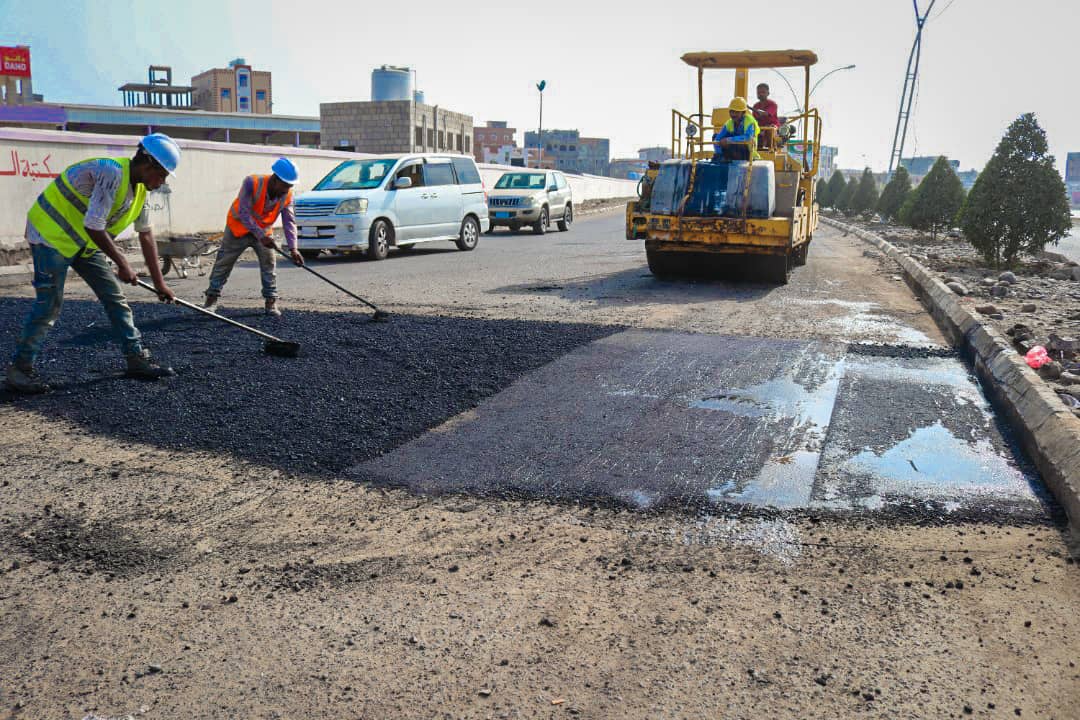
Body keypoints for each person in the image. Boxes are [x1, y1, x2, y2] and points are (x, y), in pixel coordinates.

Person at [5, 133, 181, 394]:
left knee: (115, 299)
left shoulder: (141, 190)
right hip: (50, 235)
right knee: (49, 304)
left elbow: (145, 235)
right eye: (162, 174)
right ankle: (20, 369)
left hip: (84, 243)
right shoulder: (111, 173)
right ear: (147, 164)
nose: (162, 181)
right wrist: (123, 263)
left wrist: (160, 284)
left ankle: (136, 358)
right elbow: (94, 225)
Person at [203, 157, 304, 317]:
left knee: (269, 264)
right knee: (224, 263)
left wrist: (293, 249)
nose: (288, 189)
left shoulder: (287, 195)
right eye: (286, 185)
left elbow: (289, 221)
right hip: (238, 227)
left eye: (290, 185)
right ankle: (211, 299)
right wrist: (260, 235)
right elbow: (244, 212)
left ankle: (271, 302)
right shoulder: (252, 183)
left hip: (263, 231)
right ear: (276, 179)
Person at [712, 97, 760, 162]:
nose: (733, 114)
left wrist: (729, 140)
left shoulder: (750, 121)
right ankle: (722, 158)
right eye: (731, 111)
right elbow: (717, 138)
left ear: (743, 113)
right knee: (715, 136)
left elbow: (748, 137)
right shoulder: (729, 123)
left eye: (736, 112)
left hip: (748, 154)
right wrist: (719, 153)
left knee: (730, 143)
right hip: (734, 151)